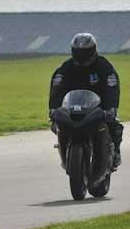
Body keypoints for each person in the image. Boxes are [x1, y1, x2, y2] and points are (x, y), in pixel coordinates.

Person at [48, 33, 123, 168]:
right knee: (57, 125)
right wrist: (53, 109)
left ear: (93, 50)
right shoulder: (66, 68)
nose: (82, 56)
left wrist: (111, 108)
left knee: (115, 125)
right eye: (79, 52)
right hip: (72, 107)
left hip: (98, 107)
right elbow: (56, 88)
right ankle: (65, 150)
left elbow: (112, 86)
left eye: (85, 52)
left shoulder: (103, 66)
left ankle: (115, 151)